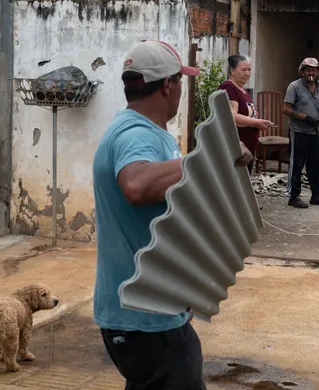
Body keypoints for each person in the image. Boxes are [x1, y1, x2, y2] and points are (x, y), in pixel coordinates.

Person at [92, 40, 253, 389]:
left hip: (145, 312)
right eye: (181, 81)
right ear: (168, 85)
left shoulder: (143, 132)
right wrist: (208, 158)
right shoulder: (136, 136)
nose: (181, 89)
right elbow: (135, 185)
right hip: (146, 320)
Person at [281, 57, 319, 209]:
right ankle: (294, 196)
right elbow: (286, 109)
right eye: (308, 70)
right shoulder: (294, 86)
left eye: (314, 70)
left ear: (318, 71)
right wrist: (304, 117)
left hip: (314, 131)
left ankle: (316, 195)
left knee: (316, 164)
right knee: (296, 164)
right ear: (302, 71)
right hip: (298, 131)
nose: (311, 72)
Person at [218, 54, 273, 173]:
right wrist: (257, 122)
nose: (247, 73)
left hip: (248, 149)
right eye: (243, 70)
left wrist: (258, 123)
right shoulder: (228, 87)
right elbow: (231, 117)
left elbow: (249, 116)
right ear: (232, 70)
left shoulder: (243, 91)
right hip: (236, 148)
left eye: (249, 70)